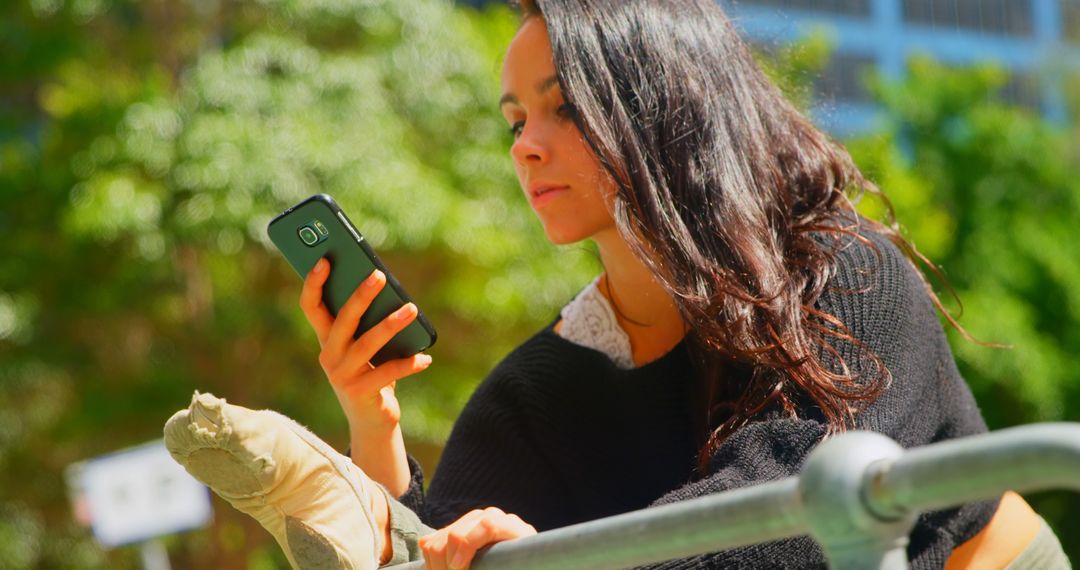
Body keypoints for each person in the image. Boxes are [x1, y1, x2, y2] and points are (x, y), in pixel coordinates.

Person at [165, 1, 1069, 569]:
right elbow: (444, 541)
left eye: (562, 106)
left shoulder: (840, 270)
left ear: (663, 103)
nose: (524, 144)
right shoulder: (543, 388)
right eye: (516, 118)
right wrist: (373, 422)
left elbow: (792, 525)